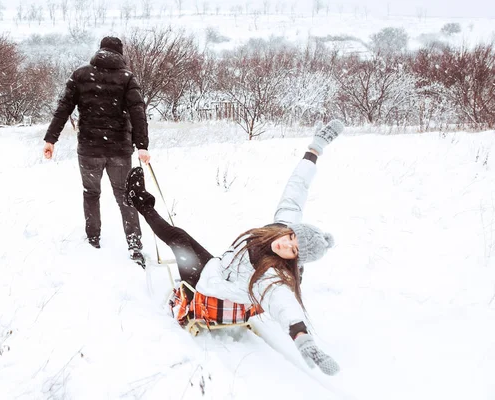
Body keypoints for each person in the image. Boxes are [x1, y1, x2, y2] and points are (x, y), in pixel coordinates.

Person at [125, 120, 344, 375]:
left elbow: (283, 304)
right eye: (292, 237)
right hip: (218, 268)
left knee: (177, 239)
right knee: (180, 236)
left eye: (293, 251)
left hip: (211, 290)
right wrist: (316, 147)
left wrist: (302, 337)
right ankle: (141, 202)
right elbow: (297, 188)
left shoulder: (271, 277)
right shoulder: (282, 226)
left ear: (294, 261)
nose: (285, 244)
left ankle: (138, 201)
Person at [43, 36, 151, 266]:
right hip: (119, 150)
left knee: (91, 193)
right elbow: (138, 113)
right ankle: (134, 244)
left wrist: (51, 139)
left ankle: (93, 238)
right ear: (120, 54)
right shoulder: (126, 78)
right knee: (125, 197)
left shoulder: (81, 75)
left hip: (89, 149)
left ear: (100, 51)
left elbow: (63, 108)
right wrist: (142, 145)